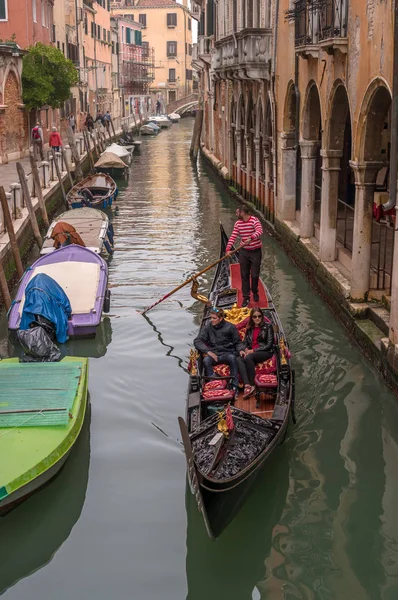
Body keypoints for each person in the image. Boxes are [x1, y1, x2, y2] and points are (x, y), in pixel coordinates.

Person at [194, 307, 244, 399]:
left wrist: (241, 350)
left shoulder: (230, 327)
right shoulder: (208, 327)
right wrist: (208, 351)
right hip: (214, 354)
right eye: (211, 318)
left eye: (214, 318)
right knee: (206, 361)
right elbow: (197, 341)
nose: (211, 320)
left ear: (221, 318)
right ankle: (214, 384)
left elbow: (238, 342)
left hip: (227, 353)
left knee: (233, 358)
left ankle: (234, 386)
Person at [226, 205, 263, 307]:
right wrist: (228, 249)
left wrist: (251, 238)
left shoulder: (254, 220)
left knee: (255, 275)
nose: (236, 214)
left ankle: (255, 291)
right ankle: (246, 297)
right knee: (244, 275)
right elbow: (233, 236)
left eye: (237, 212)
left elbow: (260, 231)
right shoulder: (238, 223)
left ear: (242, 213)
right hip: (244, 252)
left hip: (256, 251)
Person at [237, 307, 275, 399]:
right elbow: (245, 342)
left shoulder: (268, 327)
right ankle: (247, 385)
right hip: (251, 352)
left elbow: (269, 345)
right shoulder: (249, 328)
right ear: (252, 318)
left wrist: (253, 351)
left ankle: (253, 385)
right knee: (238, 359)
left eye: (259, 316)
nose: (257, 318)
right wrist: (243, 350)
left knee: (249, 357)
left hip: (265, 351)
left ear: (262, 317)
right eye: (254, 317)